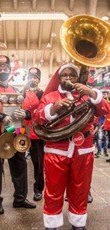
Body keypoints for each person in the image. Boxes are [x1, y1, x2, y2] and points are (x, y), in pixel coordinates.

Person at [33, 63, 110, 230]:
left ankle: (78, 222)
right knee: (53, 189)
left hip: (82, 151)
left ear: (77, 78)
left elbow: (105, 110)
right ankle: (52, 223)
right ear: (59, 78)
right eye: (64, 75)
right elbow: (38, 118)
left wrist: (91, 93)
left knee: (80, 189)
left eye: (72, 75)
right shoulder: (50, 96)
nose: (68, 78)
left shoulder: (86, 95)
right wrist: (53, 108)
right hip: (56, 151)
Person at [0, 55, 36, 215]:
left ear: (9, 71)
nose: (2, 71)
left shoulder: (15, 90)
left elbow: (24, 111)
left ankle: (20, 198)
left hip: (14, 134)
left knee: (20, 165)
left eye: (5, 68)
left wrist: (26, 114)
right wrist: (0, 116)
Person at [22, 67, 44, 201]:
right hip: (23, 131)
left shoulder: (43, 94)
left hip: (38, 132)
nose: (33, 79)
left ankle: (38, 188)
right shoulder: (23, 92)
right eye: (30, 77)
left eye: (35, 77)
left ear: (39, 80)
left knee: (38, 163)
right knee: (20, 161)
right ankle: (20, 193)